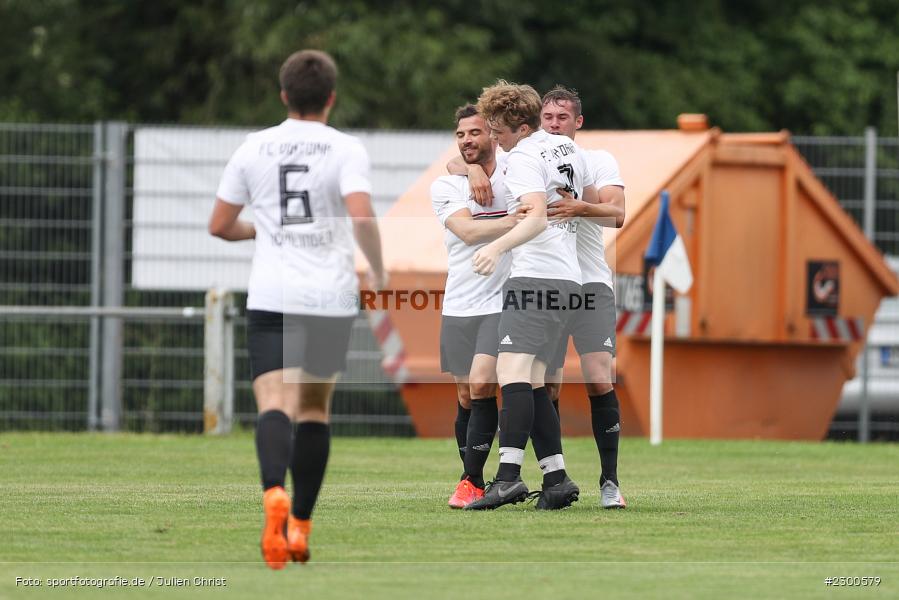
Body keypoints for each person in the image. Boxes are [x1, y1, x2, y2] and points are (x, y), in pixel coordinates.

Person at [208, 49, 386, 569]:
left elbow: (220, 225)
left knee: (274, 404)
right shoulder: (345, 148)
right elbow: (361, 216)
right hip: (329, 295)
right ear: (331, 97)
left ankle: (273, 494)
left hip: (273, 294)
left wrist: (261, 229)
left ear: (284, 95)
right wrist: (378, 270)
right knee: (313, 410)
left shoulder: (254, 146)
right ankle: (301, 527)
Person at [464, 80, 598, 511]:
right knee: (535, 379)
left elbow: (537, 217)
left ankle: (507, 478)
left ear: (521, 128)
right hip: (568, 279)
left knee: (512, 373)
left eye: (498, 132)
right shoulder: (567, 148)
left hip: (536, 277)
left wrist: (496, 247)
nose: (494, 140)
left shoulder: (523, 156)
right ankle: (556, 479)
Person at [540, 85, 627, 509]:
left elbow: (617, 213)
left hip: (591, 284)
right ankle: (555, 478)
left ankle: (610, 481)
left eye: (562, 117)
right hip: (550, 283)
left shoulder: (598, 160)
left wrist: (579, 207)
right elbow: (469, 158)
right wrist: (477, 172)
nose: (554, 124)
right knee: (546, 385)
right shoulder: (530, 159)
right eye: (547, 117)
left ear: (578, 122)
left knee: (598, 378)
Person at [432, 104, 518, 508]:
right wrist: (521, 221)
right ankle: (477, 481)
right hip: (458, 303)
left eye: (475, 132)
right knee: (466, 395)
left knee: (484, 384)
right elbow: (466, 232)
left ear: (493, 135)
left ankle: (473, 480)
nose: (467, 140)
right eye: (461, 134)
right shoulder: (446, 185)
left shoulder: (513, 173)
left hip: (501, 302)